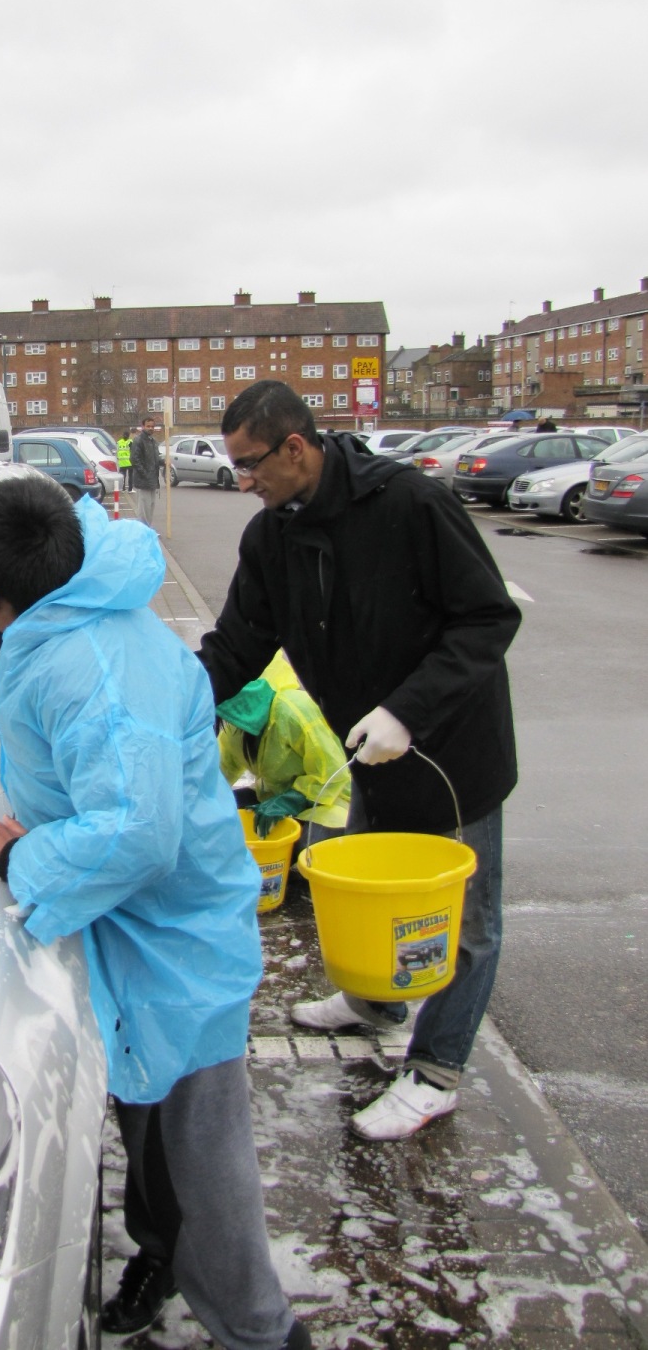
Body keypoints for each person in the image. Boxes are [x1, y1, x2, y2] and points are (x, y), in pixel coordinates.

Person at [0, 479, 311, 1350]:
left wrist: (19, 856)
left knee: (197, 1153)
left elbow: (140, 832)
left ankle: (261, 1329)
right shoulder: (68, 587)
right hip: (121, 914)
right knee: (148, 1133)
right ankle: (161, 1249)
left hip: (172, 934)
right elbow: (10, 640)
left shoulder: (98, 677)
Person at [198, 381, 521, 1142]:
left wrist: (408, 711)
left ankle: (436, 1072)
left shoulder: (408, 505)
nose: (242, 482)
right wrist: (175, 705)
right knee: (366, 884)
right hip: (363, 747)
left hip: (449, 747)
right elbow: (239, 641)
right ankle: (375, 1002)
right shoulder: (272, 532)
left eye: (250, 465)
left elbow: (487, 616)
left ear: (296, 448)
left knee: (464, 924)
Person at [217, 649, 350, 845]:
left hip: (328, 801)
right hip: (273, 797)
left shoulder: (294, 711)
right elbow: (221, 771)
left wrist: (292, 799)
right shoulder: (235, 727)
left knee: (305, 847)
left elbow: (334, 772)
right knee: (224, 810)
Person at [130, 415, 163, 525]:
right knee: (143, 509)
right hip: (143, 481)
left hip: (153, 481)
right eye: (148, 426)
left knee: (150, 507)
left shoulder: (153, 441)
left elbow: (155, 458)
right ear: (143, 426)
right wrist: (145, 474)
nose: (150, 428)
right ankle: (143, 531)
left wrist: (164, 462)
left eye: (152, 426)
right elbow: (134, 460)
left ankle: (148, 529)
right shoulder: (138, 441)